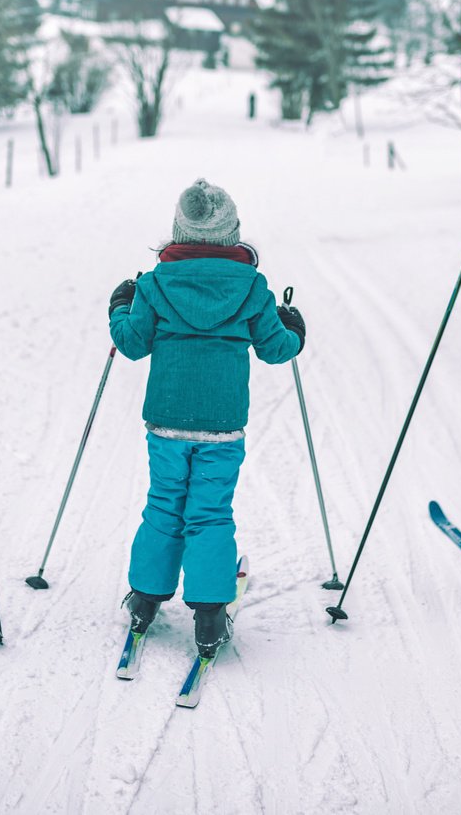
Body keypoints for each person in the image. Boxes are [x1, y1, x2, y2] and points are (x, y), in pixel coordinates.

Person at [107, 178, 304, 654]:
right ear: (232, 233)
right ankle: (211, 614)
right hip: (222, 425)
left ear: (178, 231)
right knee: (210, 512)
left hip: (166, 422)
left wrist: (119, 307)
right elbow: (277, 349)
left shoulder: (154, 285)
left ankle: (146, 598)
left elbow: (131, 343)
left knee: (164, 506)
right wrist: (294, 327)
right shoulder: (253, 288)